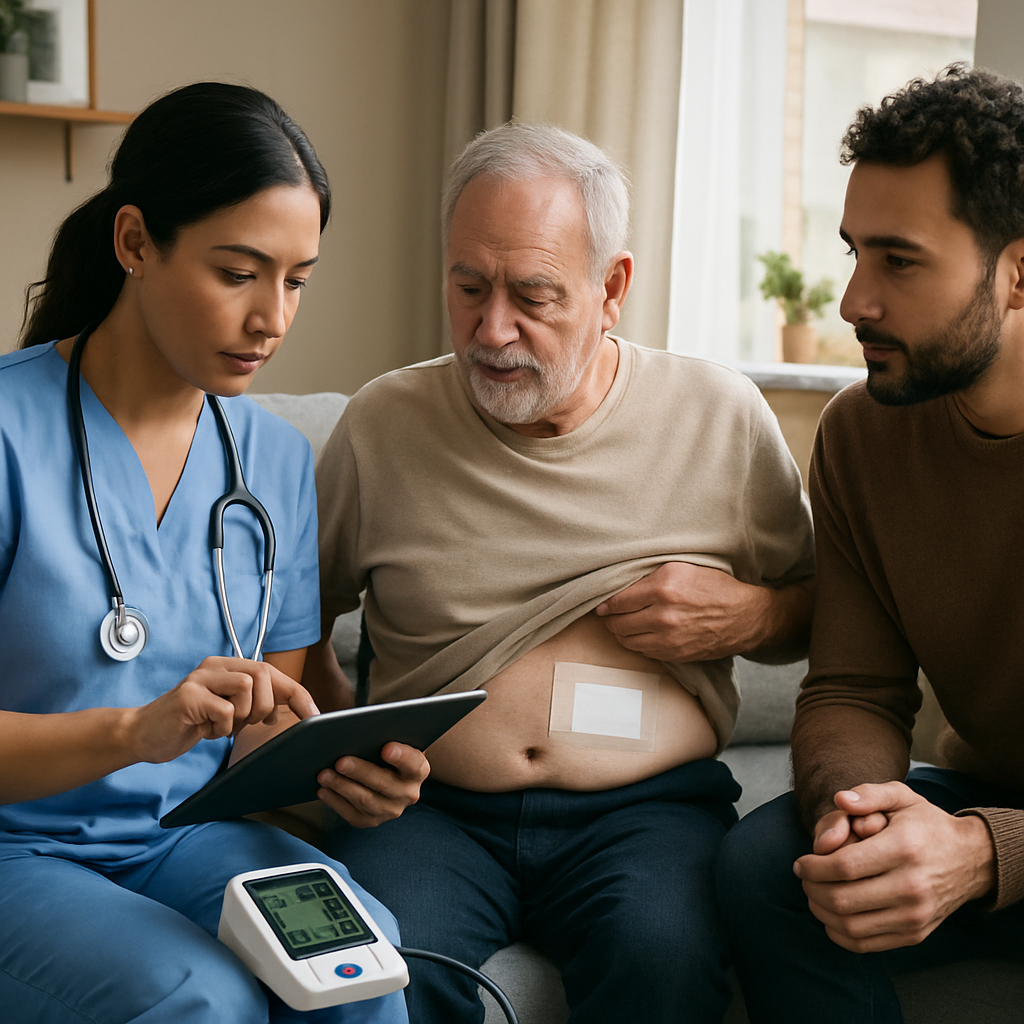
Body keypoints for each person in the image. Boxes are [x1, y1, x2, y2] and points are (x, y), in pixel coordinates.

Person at [306, 122, 815, 1023]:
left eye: (533, 296)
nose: (492, 329)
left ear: (611, 287)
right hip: (432, 808)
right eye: (468, 288)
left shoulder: (718, 416)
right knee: (375, 968)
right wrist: (334, 737)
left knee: (662, 958)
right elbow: (290, 618)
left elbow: (826, 613)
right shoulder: (383, 424)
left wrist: (747, 619)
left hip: (647, 811)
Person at [0, 82, 425, 1024]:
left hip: (182, 837)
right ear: (136, 244)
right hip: (15, 851)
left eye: (297, 279)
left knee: (360, 967)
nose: (273, 317)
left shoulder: (270, 458)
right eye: (239, 273)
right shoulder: (3, 432)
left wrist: (333, 773)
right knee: (202, 998)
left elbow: (260, 730)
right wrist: (131, 733)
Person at [716, 64, 1024, 1023]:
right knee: (767, 870)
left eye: (899, 261)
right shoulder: (862, 434)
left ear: (1018, 271)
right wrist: (860, 821)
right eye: (854, 252)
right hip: (981, 790)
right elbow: (853, 687)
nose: (853, 300)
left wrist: (982, 853)